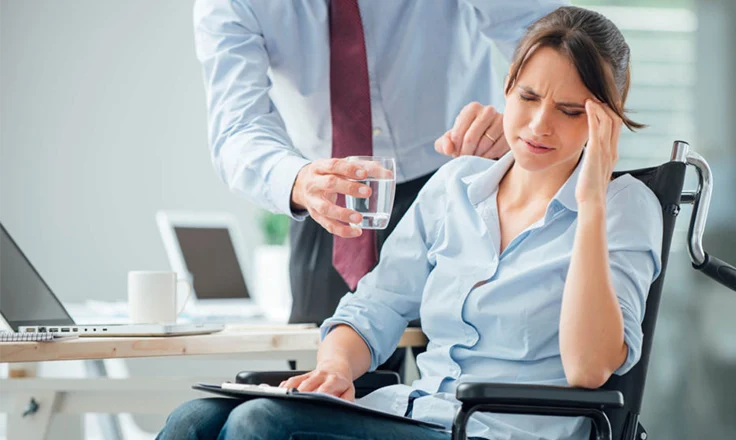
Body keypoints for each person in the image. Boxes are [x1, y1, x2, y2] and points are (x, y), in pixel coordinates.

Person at [154, 6, 663, 440]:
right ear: (506, 86)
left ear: (606, 120)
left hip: (501, 439)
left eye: (570, 111)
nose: (538, 125)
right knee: (190, 425)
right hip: (421, 416)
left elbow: (589, 369)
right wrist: (335, 368)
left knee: (264, 428)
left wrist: (590, 199)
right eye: (527, 97)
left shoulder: (625, 208)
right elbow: (375, 305)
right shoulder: (456, 186)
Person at [191, 0, 566, 376]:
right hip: (326, 200)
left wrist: (524, 119)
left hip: (459, 187)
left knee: (464, 370)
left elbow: (553, 38)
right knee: (324, 386)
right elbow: (237, 126)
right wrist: (298, 180)